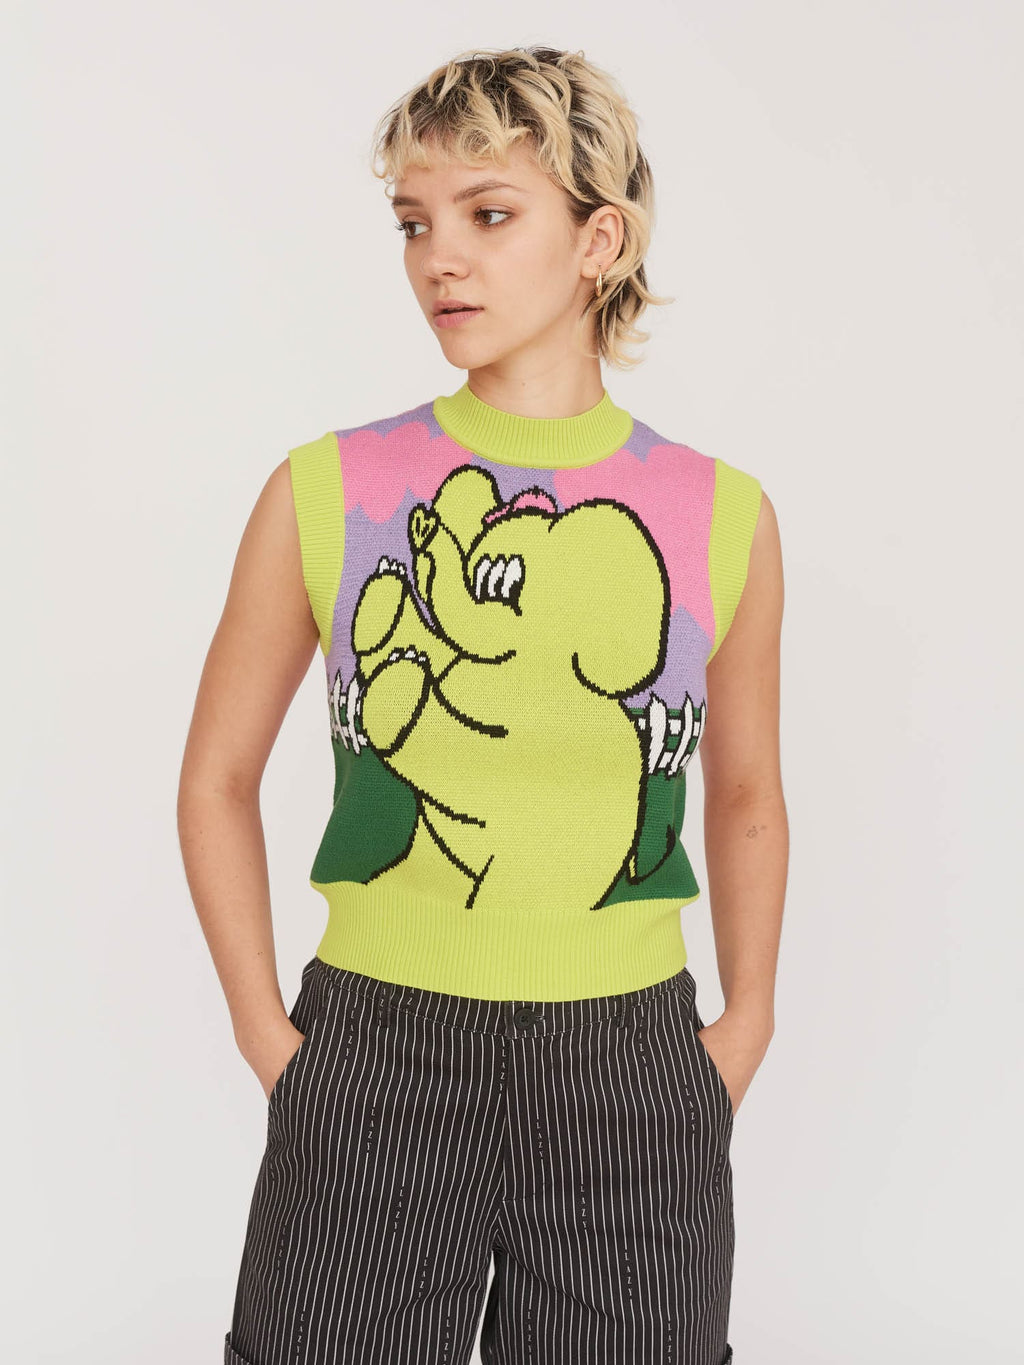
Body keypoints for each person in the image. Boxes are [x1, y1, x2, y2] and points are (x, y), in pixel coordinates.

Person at [178, 43, 786, 1365]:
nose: (438, 259)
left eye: (488, 214)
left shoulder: (721, 514)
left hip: (632, 1066)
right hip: (374, 1051)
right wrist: (271, 1039)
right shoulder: (327, 489)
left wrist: (743, 1025)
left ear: (599, 241)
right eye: (414, 223)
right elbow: (216, 777)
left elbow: (745, 790)